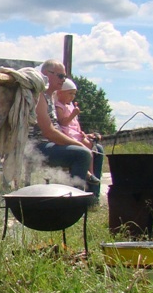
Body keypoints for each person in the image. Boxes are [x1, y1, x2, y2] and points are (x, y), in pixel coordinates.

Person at [31, 60, 103, 199]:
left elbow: (63, 126)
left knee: (97, 149)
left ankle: (93, 197)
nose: (64, 80)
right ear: (46, 74)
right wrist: (77, 144)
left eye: (64, 76)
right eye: (60, 76)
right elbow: (48, 131)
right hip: (39, 146)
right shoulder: (40, 96)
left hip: (51, 143)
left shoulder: (51, 97)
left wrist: (82, 137)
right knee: (81, 153)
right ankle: (75, 201)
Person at [53, 78, 102, 177]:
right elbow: (63, 122)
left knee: (91, 146)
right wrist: (73, 114)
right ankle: (89, 173)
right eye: (70, 93)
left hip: (75, 132)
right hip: (67, 133)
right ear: (60, 93)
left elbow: (75, 124)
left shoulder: (70, 106)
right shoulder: (59, 106)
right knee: (87, 150)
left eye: (74, 94)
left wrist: (82, 132)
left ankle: (92, 173)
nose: (72, 97)